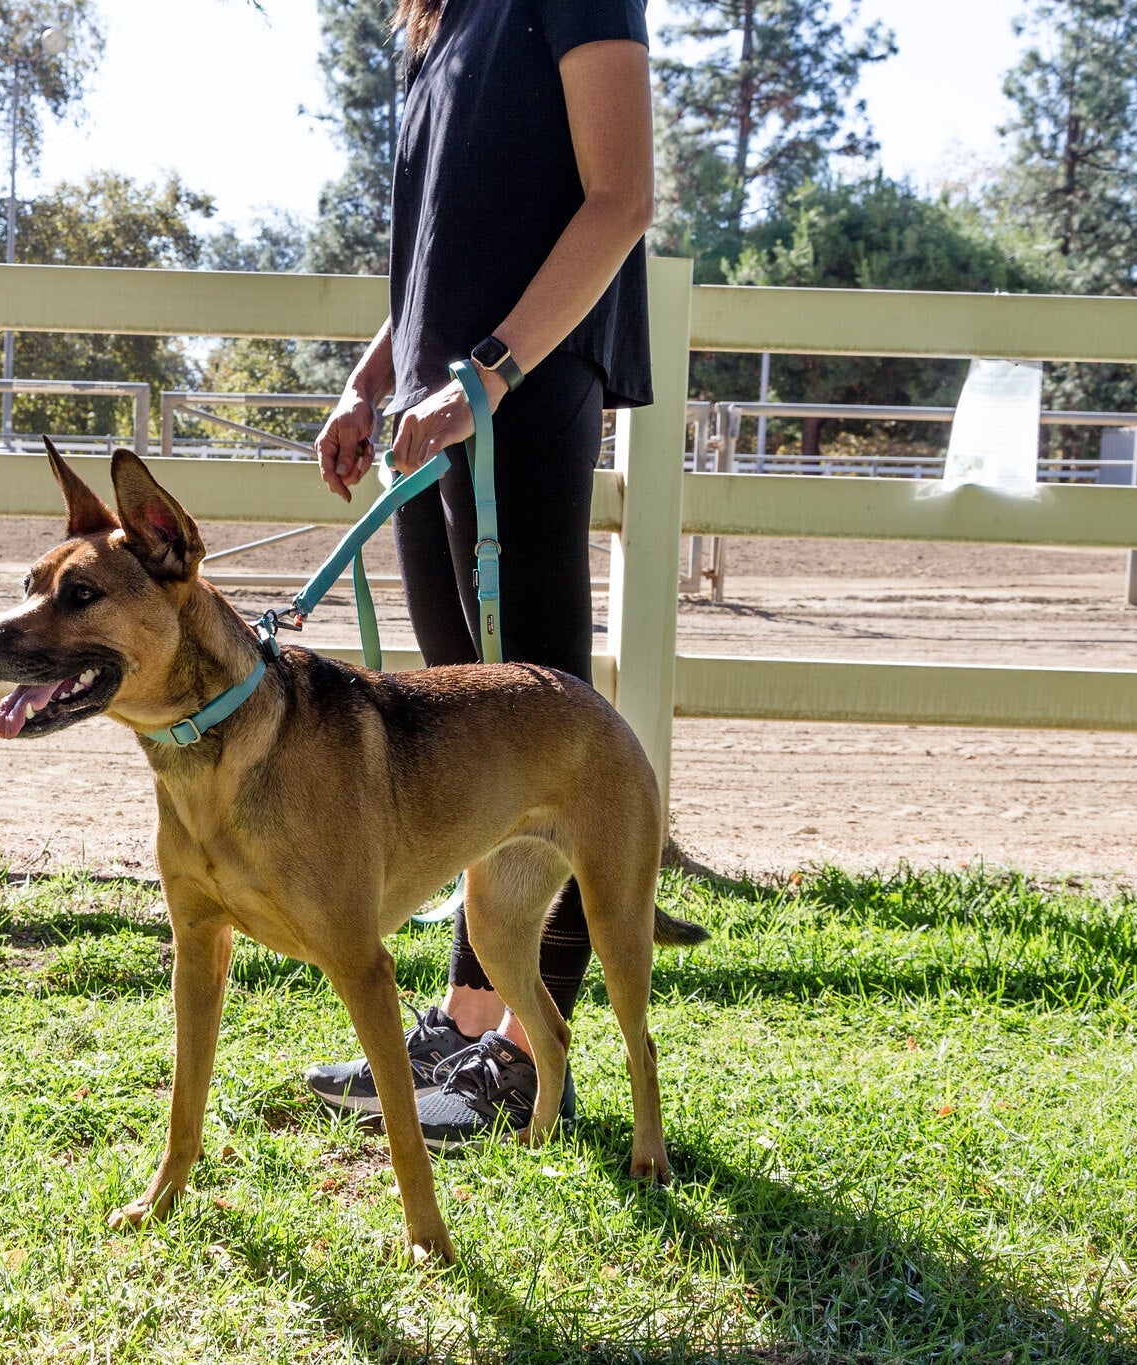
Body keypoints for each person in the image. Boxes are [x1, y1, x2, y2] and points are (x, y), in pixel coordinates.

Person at [302, 0, 656, 1148]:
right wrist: (372, 379)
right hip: (435, 402)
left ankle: (517, 1057)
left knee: (539, 729)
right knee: (464, 729)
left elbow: (620, 199)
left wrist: (491, 375)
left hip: (518, 388)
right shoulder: (438, 22)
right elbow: (438, 253)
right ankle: (466, 1017)